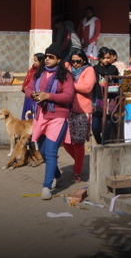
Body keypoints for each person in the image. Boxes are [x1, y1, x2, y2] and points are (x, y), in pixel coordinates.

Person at [25, 43, 75, 200]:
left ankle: (46, 186)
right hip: (40, 116)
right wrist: (32, 94)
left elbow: (68, 96)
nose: (47, 59)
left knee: (51, 152)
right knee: (43, 151)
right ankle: (57, 174)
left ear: (59, 59)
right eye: (46, 56)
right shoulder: (39, 73)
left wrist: (48, 96)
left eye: (51, 57)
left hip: (58, 117)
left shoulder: (65, 76)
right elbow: (27, 88)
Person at [63, 48, 96, 182]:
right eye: (73, 61)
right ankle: (79, 162)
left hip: (82, 110)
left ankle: (77, 171)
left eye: (78, 61)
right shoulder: (68, 68)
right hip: (67, 109)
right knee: (64, 141)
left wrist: (70, 85)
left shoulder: (89, 70)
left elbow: (87, 87)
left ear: (84, 60)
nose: (76, 64)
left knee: (78, 142)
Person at [91, 47, 120, 144]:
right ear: (99, 58)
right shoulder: (95, 69)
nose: (106, 60)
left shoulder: (113, 69)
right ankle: (99, 142)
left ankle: (105, 144)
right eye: (104, 58)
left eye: (108, 58)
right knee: (95, 126)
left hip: (110, 99)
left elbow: (117, 83)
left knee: (108, 124)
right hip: (98, 99)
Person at [20, 53, 44, 119]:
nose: (34, 62)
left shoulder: (42, 71)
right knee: (26, 113)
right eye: (34, 60)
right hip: (28, 95)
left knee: (32, 114)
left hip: (34, 96)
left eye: (36, 61)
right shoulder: (32, 70)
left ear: (41, 62)